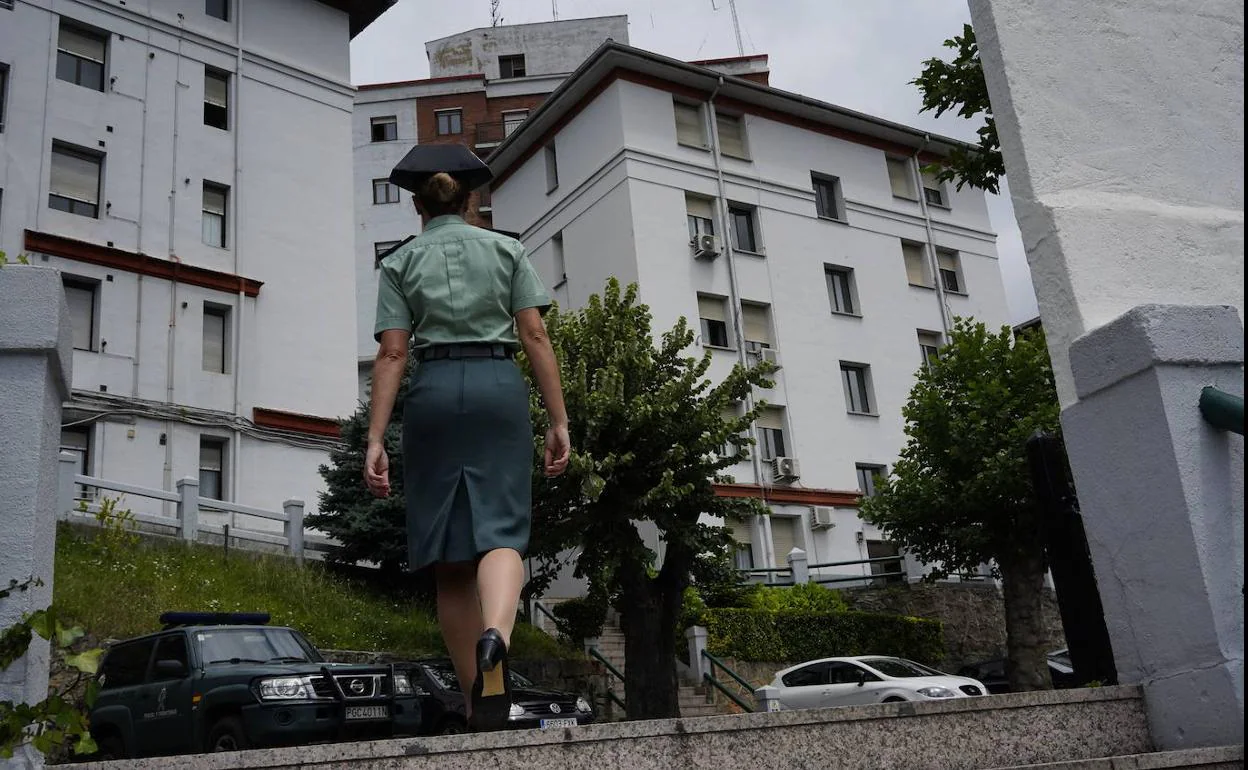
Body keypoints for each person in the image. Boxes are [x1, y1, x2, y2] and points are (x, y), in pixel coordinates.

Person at [363, 144, 570, 732]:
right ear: (471, 199)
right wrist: (559, 422)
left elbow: (393, 351)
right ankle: (496, 636)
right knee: (501, 533)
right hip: (497, 385)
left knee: (448, 561)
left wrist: (375, 439)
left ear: (416, 206)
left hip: (432, 394)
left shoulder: (400, 263)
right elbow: (534, 335)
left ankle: (477, 701)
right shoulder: (506, 250)